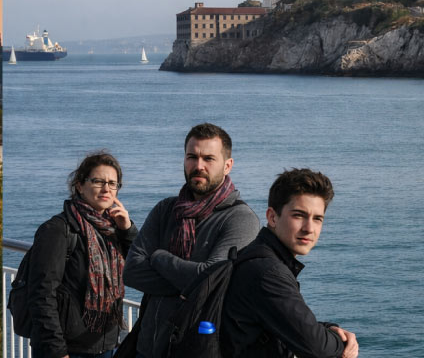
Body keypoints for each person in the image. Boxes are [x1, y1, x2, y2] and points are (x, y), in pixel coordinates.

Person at [123, 123, 260, 358]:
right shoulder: (166, 210)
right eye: (192, 157)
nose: (199, 166)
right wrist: (191, 284)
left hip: (198, 351)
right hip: (148, 348)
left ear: (228, 165)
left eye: (209, 158)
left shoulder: (240, 219)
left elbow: (209, 282)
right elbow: (132, 271)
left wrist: (158, 257)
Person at [222, 168, 359, 358]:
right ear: (272, 217)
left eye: (317, 219)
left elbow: (293, 325)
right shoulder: (267, 273)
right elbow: (316, 348)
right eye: (298, 215)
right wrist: (343, 343)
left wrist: (328, 329)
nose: (309, 228)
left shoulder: (260, 257)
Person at [27, 151, 137, 358]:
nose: (106, 189)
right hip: (68, 348)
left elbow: (140, 265)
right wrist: (56, 350)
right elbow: (42, 294)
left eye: (113, 184)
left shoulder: (113, 230)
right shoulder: (58, 229)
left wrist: (127, 229)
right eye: (98, 181)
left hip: (106, 345)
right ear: (79, 185)